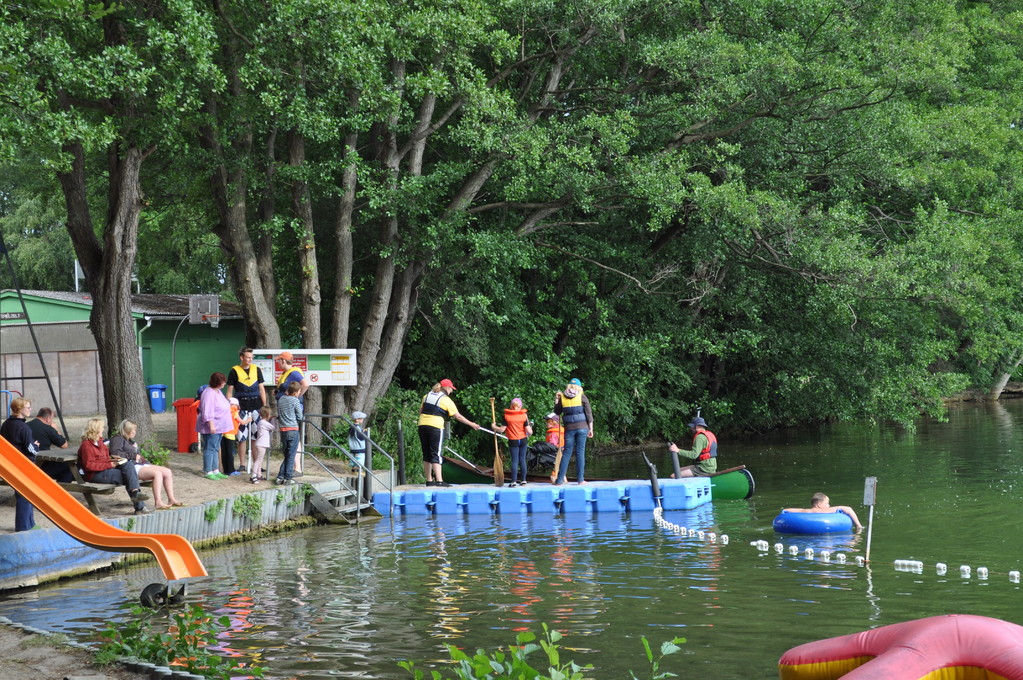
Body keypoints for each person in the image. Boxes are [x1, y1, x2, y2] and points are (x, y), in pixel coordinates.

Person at [77, 418, 149, 515]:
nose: (103, 429)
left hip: (106, 470)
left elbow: (106, 458)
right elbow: (89, 465)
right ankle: (139, 505)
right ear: (96, 429)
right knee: (128, 476)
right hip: (94, 474)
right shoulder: (86, 445)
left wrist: (115, 460)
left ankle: (137, 497)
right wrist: (109, 464)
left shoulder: (100, 443)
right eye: (102, 427)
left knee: (128, 465)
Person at [417, 379, 481, 487]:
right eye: (451, 389)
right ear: (446, 388)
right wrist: (471, 424)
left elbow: (421, 412)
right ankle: (439, 481)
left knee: (426, 454)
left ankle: (429, 480)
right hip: (435, 426)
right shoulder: (446, 400)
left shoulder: (426, 396)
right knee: (436, 453)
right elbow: (458, 416)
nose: (451, 391)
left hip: (422, 425)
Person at [109, 420, 181, 509]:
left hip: (140, 464)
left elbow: (138, 455)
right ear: (126, 429)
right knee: (157, 473)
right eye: (132, 430)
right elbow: (115, 453)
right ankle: (158, 502)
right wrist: (133, 455)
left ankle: (171, 499)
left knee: (167, 472)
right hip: (129, 466)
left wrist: (145, 462)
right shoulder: (118, 438)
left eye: (135, 430)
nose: (134, 432)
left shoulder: (130, 441)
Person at [225, 346, 266, 474]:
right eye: (248, 357)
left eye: (251, 357)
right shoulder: (234, 371)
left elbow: (261, 389)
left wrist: (264, 406)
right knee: (241, 437)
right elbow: (230, 391)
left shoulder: (256, 370)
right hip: (241, 407)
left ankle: (256, 464)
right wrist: (231, 405)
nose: (250, 360)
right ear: (241, 357)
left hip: (256, 406)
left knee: (255, 436)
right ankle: (242, 464)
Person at [1, 397, 39, 531]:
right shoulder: (24, 428)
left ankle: (30, 523)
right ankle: (23, 526)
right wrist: (36, 446)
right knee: (25, 495)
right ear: (19, 409)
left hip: (11, 464)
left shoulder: (6, 424)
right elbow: (31, 449)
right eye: (28, 407)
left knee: (22, 494)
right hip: (25, 464)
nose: (30, 410)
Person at [553, 378, 594, 485]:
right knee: (580, 453)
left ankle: (559, 480)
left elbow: (557, 412)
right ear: (579, 387)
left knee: (566, 453)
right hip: (582, 427)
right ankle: (580, 480)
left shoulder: (562, 397)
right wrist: (591, 429)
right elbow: (589, 414)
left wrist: (556, 400)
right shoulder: (582, 396)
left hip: (569, 429)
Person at [197, 372, 232, 480]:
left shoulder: (218, 391)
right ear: (217, 382)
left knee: (216, 448)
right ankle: (208, 470)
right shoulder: (209, 393)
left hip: (220, 426)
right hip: (212, 426)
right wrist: (211, 425)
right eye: (222, 381)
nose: (224, 383)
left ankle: (215, 469)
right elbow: (208, 410)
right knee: (210, 448)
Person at [492, 398, 532, 487]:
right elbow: (529, 431)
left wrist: (494, 427)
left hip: (513, 440)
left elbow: (502, 430)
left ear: (511, 406)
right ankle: (523, 481)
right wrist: (530, 432)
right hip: (523, 440)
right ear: (520, 406)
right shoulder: (524, 415)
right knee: (522, 460)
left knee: (515, 460)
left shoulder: (507, 416)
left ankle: (513, 481)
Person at [28, 406, 72, 482]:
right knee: (69, 466)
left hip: (27, 463)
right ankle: (59, 491)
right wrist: (56, 429)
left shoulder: (26, 425)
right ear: (48, 419)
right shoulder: (48, 429)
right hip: (43, 465)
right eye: (52, 419)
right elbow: (64, 445)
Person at [784, 492, 864, 529]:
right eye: (827, 503)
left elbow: (786, 510)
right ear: (819, 504)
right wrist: (858, 526)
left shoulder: (805, 511)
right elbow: (848, 509)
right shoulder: (824, 511)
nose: (829, 506)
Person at [275, 381, 304, 485]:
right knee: (291, 455)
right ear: (296, 392)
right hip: (293, 429)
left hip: (283, 430)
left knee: (287, 454)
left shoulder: (281, 399)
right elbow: (300, 416)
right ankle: (288, 478)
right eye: (299, 391)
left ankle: (280, 477)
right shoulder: (295, 401)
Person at [220, 397, 252, 476]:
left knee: (224, 453)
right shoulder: (234, 412)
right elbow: (242, 422)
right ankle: (231, 470)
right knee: (230, 453)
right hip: (230, 434)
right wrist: (249, 419)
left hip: (222, 433)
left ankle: (226, 470)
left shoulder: (224, 411)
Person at [251, 405, 275, 484]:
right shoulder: (263, 423)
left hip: (260, 444)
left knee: (260, 460)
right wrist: (272, 420)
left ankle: (258, 474)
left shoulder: (261, 422)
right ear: (268, 415)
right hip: (262, 444)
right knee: (258, 460)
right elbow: (272, 427)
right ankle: (253, 475)